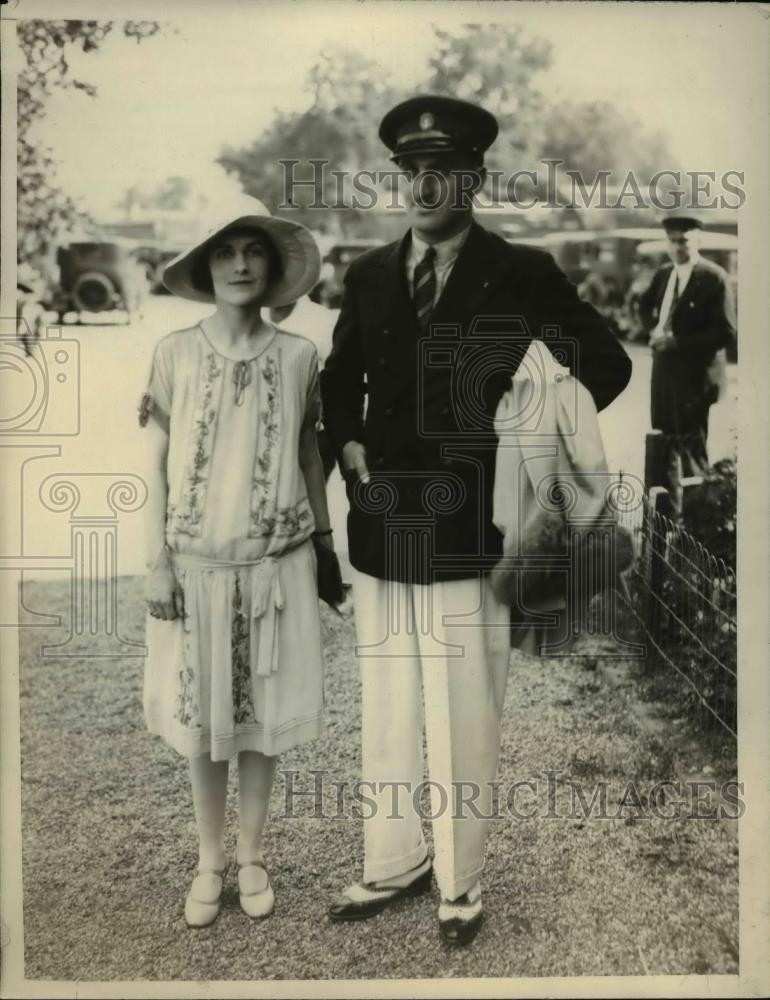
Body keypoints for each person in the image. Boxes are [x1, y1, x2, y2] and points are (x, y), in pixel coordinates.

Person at [320, 95, 632, 946]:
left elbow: (604, 365)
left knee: (463, 710)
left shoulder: (522, 271)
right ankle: (393, 860)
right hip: (383, 522)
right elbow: (339, 382)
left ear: (473, 180)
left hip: (476, 529)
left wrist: (530, 428)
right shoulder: (369, 273)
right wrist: (346, 442)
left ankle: (460, 880)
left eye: (444, 171)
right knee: (388, 703)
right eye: (413, 171)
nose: (427, 186)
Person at [139, 196, 336, 927]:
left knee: (261, 717)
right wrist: (156, 561)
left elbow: (309, 454)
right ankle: (210, 860)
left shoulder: (300, 357)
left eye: (253, 251)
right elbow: (152, 466)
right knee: (204, 719)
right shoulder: (174, 354)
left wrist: (325, 546)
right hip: (195, 568)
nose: (240, 264)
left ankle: (252, 855)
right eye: (224, 252)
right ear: (205, 267)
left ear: (272, 266)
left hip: (275, 567)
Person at [639, 215, 736, 479]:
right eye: (672, 241)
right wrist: (652, 329)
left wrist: (679, 342)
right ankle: (663, 503)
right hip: (664, 374)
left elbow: (725, 332)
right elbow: (644, 305)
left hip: (695, 380)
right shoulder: (664, 274)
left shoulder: (714, 278)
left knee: (691, 450)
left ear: (698, 241)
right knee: (661, 443)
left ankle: (695, 505)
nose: (677, 247)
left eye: (684, 241)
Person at [269, 294, 339, 480]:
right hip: (264, 438)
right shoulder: (252, 316)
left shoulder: (322, 320)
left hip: (312, 440)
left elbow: (341, 379)